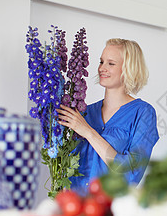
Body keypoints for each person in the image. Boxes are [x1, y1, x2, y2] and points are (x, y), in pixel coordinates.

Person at [57, 38, 159, 194]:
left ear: (128, 69)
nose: (102, 68)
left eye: (111, 63)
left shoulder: (143, 113)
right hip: (74, 207)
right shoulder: (84, 113)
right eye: (101, 62)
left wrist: (89, 132)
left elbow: (131, 175)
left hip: (110, 210)